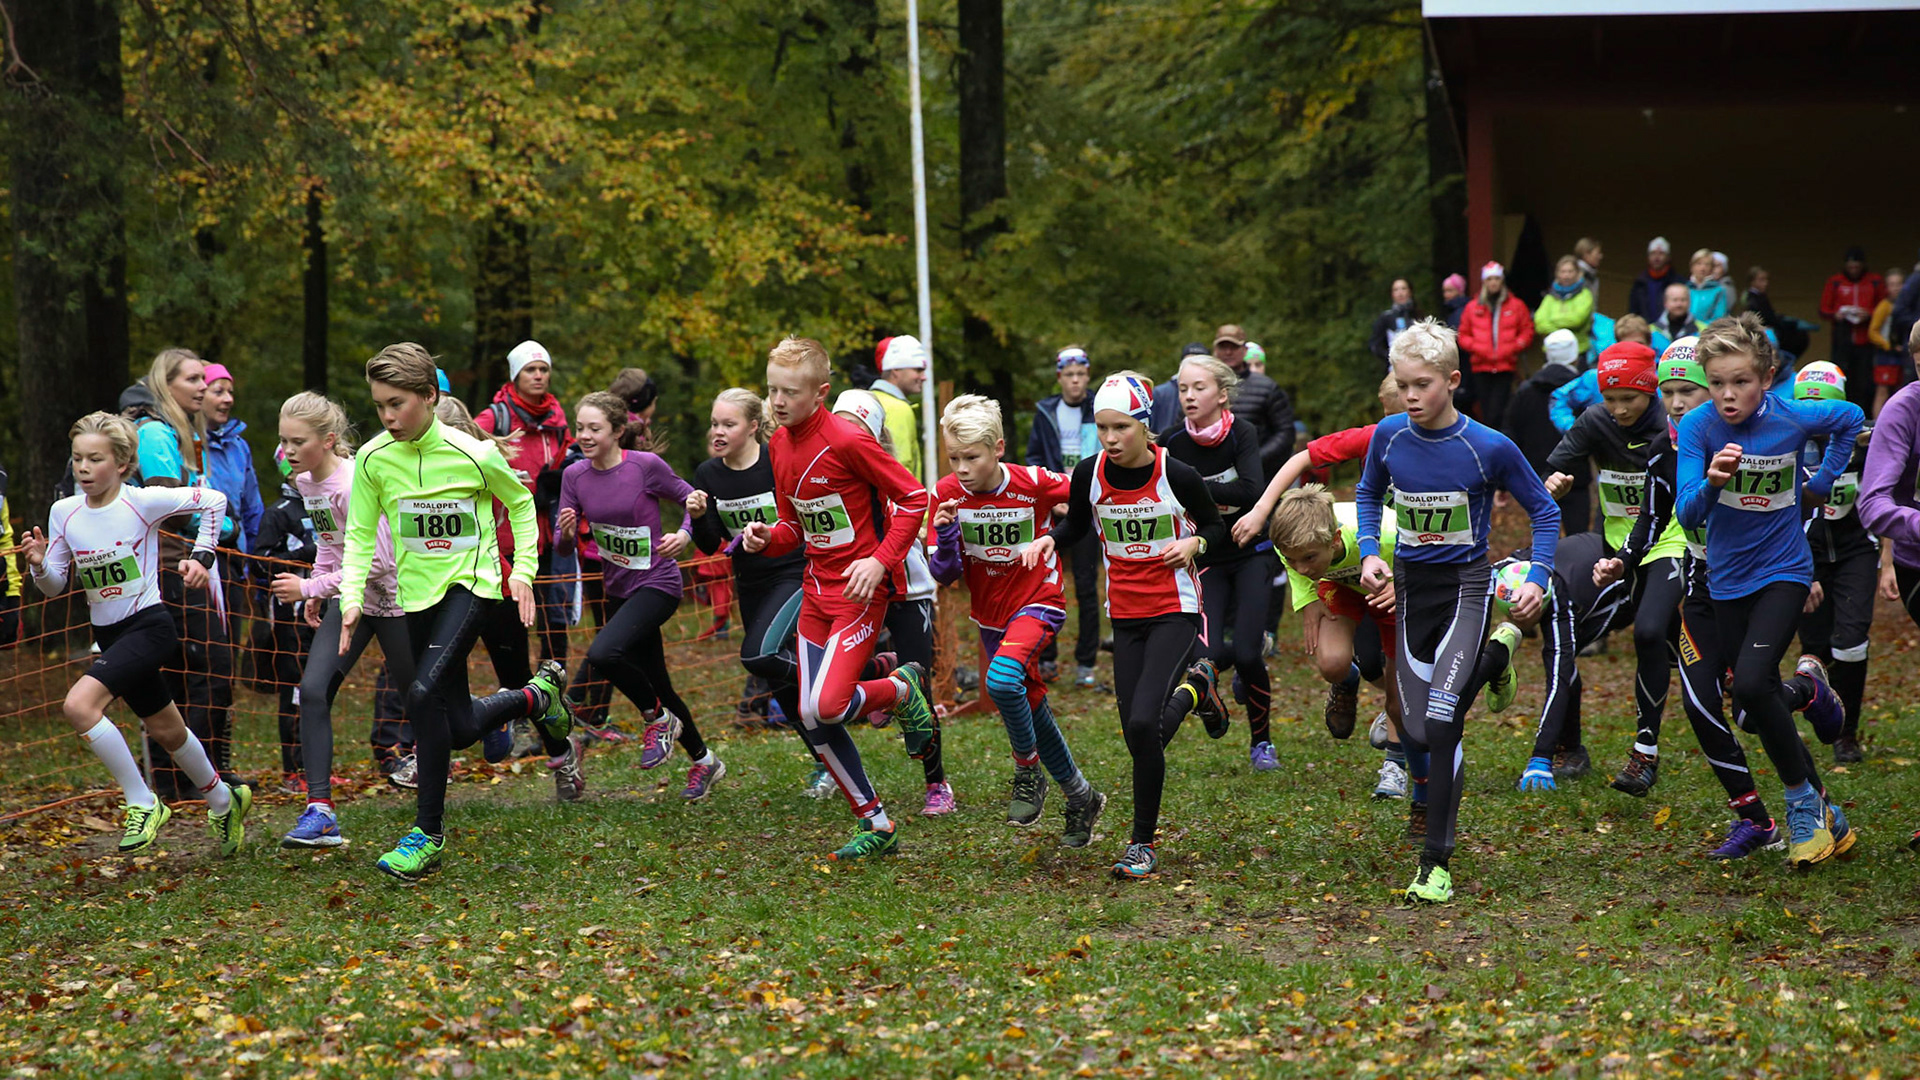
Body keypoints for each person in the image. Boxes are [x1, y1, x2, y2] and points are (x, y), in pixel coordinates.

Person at [338, 343, 577, 883]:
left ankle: (427, 835)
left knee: (421, 693)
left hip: (473, 584)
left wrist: (522, 572)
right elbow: (359, 535)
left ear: (429, 396)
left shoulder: (474, 453)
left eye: (397, 403)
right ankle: (535, 696)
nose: (388, 416)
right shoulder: (373, 460)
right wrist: (351, 598)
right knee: (462, 727)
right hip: (416, 596)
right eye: (379, 405)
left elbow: (520, 503)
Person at [1355, 318, 1559, 904]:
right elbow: (1368, 492)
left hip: (1466, 589)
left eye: (1422, 385)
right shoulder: (1389, 436)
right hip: (1411, 591)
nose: (1410, 396)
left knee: (1443, 725)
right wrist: (1370, 552)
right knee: (1416, 731)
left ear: (1452, 381)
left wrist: (1539, 576)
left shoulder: (1488, 445)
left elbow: (1545, 511)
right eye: (1402, 385)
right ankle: (1498, 657)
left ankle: (1435, 863)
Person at [737, 336, 937, 860]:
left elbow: (914, 497)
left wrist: (880, 561)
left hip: (858, 594)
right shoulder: (779, 445)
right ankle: (877, 823)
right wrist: (766, 537)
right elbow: (793, 527)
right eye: (772, 390)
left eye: (790, 392)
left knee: (827, 705)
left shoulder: (847, 440)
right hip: (815, 591)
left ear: (820, 393)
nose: (778, 402)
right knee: (811, 715)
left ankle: (900, 690)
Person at [1024, 372, 1228, 879]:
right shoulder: (1090, 473)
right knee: (1139, 735)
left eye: (1121, 428)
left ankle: (1142, 844)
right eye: (1102, 428)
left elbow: (1217, 527)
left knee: (1142, 725)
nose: (1111, 439)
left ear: (1144, 426)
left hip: (1175, 609)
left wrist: (1195, 543)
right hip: (1126, 613)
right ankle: (1197, 690)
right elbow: (1076, 524)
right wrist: (1051, 539)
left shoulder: (1176, 474)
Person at [1674, 313, 1859, 869]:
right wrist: (1712, 482)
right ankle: (1810, 697)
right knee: (1754, 706)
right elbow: (1687, 515)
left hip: (1784, 571)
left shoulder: (1794, 415)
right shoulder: (1699, 428)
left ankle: (1802, 805)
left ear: (1768, 377)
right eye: (1717, 383)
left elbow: (1850, 418)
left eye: (1741, 382)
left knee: (1753, 683)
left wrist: (1821, 481)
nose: (1728, 395)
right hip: (1727, 580)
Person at [25, 412, 246, 856]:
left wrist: (202, 557)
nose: (84, 468)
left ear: (122, 464)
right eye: (77, 459)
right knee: (168, 730)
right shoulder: (64, 512)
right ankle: (225, 800)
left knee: (79, 705)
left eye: (95, 459)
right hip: (109, 634)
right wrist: (38, 565)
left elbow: (214, 501)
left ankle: (142, 801)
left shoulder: (142, 502)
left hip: (149, 626)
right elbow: (55, 585)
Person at [930, 395, 1107, 843]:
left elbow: (1091, 494)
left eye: (972, 457)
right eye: (954, 458)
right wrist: (947, 533)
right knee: (1030, 703)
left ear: (998, 448)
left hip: (1039, 601)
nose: (962, 468)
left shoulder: (1033, 483)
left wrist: (1058, 530)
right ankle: (1081, 795)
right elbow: (944, 574)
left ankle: (1027, 771)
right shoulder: (946, 493)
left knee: (1002, 681)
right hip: (991, 618)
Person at [271, 392, 420, 849]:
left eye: (298, 442)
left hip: (394, 600)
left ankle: (512, 708)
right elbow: (331, 543)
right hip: (350, 598)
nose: (288, 451)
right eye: (284, 441)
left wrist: (309, 588)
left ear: (329, 440)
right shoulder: (308, 483)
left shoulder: (352, 483)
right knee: (313, 690)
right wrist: (320, 588)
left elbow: (377, 561)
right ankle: (320, 811)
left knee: (427, 699)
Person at [557, 392, 713, 800]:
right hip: (618, 589)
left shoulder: (644, 466)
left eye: (594, 428)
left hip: (658, 583)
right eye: (580, 428)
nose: (584, 436)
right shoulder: (574, 476)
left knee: (603, 653)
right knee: (660, 682)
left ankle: (655, 718)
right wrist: (568, 534)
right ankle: (705, 760)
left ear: (616, 431)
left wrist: (684, 534)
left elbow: (692, 499)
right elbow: (560, 544)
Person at [1544, 342, 1684, 796]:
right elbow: (1553, 471)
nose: (1620, 409)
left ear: (1651, 392)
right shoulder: (1595, 421)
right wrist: (1553, 483)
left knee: (1649, 632)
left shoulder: (1671, 425)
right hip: (1613, 550)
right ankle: (1569, 747)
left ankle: (1646, 751)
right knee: (1564, 634)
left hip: (1669, 540)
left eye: (1630, 398)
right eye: (1611, 398)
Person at [828, 389, 953, 815]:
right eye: (838, 426)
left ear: (874, 437)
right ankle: (884, 674)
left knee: (920, 686)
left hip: (905, 589)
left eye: (854, 428)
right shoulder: (826, 474)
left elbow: (914, 508)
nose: (844, 436)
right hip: (857, 590)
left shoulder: (886, 470)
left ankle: (937, 784)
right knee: (832, 680)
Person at [1159, 355, 1274, 770]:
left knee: (1247, 654)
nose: (1189, 396)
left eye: (1199, 388)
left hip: (1251, 553)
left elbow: (1252, 490)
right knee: (1203, 660)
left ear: (1222, 395)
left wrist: (1196, 489)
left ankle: (1262, 743)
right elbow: (1167, 497)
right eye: (1183, 389)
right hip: (1206, 557)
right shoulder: (1172, 443)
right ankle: (1211, 697)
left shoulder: (1243, 433)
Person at [132, 348, 239, 793]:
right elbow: (167, 506)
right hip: (168, 565)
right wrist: (220, 523)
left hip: (180, 561)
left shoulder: (182, 432)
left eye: (203, 379)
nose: (202, 387)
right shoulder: (155, 433)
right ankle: (190, 776)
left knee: (182, 670)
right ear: (167, 384)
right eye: (193, 379)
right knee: (208, 667)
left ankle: (187, 776)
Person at [687, 388, 808, 775]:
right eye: (714, 424)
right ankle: (828, 762)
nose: (718, 432)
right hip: (750, 582)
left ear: (754, 426)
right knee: (779, 683)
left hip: (792, 573)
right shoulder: (708, 474)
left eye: (729, 424)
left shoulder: (777, 461)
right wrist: (699, 516)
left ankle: (843, 678)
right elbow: (711, 543)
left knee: (758, 655)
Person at [1269, 486, 1414, 805]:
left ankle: (1394, 766)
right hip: (1341, 586)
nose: (1302, 568)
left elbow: (1430, 555)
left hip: (1389, 586)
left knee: (1398, 690)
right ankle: (1347, 679)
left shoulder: (1389, 535)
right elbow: (1292, 559)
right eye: (1293, 560)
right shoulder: (1292, 542)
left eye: (1309, 558)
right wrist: (1307, 598)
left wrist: (1406, 585)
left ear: (1335, 540)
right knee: (1332, 664)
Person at [1790, 362, 1876, 766]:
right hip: (1807, 555)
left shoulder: (1864, 441)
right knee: (1816, 647)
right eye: (1806, 410)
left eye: (1824, 409)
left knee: (1851, 641)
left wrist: (1889, 560)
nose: (1816, 420)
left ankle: (1847, 734)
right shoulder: (1784, 442)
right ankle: (1824, 713)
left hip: (1856, 551)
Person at [475, 339, 575, 672]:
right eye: (530, 369)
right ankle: (517, 690)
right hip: (506, 540)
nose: (538, 375)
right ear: (515, 375)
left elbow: (572, 459)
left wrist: (558, 478)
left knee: (554, 619)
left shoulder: (557, 420)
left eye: (543, 369)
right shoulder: (495, 418)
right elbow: (462, 454)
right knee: (513, 620)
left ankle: (554, 688)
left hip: (547, 538)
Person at [1027, 346, 1102, 687]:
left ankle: (1086, 664)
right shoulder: (1046, 412)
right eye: (1069, 375)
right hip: (1055, 507)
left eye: (1080, 375)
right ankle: (1047, 658)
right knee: (1046, 583)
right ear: (1059, 378)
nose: (1075, 381)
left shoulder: (1099, 408)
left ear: (1088, 376)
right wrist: (1053, 498)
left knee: (1086, 585)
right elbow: (1034, 458)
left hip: (1090, 507)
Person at [250, 449, 317, 790]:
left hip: (323, 608)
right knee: (295, 688)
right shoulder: (278, 513)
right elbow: (259, 562)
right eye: (297, 470)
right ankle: (294, 772)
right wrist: (303, 555)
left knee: (317, 690)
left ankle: (315, 769)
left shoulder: (321, 505)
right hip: (289, 614)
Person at [1508, 330, 1590, 535]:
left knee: (1542, 534)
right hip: (1575, 475)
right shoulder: (1583, 390)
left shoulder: (1526, 390)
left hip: (1537, 477)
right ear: (1574, 355)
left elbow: (1511, 432)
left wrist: (1504, 482)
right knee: (1578, 537)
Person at [1456, 262, 1534, 431]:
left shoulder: (1516, 305)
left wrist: (1515, 346)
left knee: (1499, 411)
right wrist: (1476, 347)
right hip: (1481, 365)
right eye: (1490, 279)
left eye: (1497, 279)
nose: (1493, 283)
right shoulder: (1472, 307)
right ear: (1484, 282)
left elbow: (1527, 330)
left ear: (1502, 281)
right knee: (1486, 410)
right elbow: (1463, 335)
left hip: (1506, 365)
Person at [1211, 324, 1295, 476]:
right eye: (1223, 347)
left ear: (1244, 350)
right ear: (1215, 350)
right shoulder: (1202, 385)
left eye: (1234, 347)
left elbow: (1285, 433)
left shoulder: (1267, 387)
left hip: (1259, 475)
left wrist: (1254, 459)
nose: (1228, 352)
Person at [200, 364, 265, 557]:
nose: (228, 399)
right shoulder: (183, 443)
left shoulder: (239, 446)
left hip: (237, 555)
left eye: (230, 392)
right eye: (218, 392)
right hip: (197, 554)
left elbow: (252, 508)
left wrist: (256, 557)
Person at [1821, 247, 1887, 413]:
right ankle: (1841, 412)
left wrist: (1869, 314)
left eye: (1857, 267)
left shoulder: (1874, 281)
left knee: (1865, 380)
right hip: (1842, 338)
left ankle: (1863, 414)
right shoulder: (1835, 282)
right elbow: (1823, 309)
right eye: (1851, 267)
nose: (1854, 270)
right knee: (1842, 377)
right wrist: (1837, 314)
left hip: (1867, 339)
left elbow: (1884, 306)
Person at [869, 335, 927, 482]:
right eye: (918, 370)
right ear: (895, 369)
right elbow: (901, 467)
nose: (924, 377)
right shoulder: (898, 409)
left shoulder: (870, 400)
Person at [1535, 255, 1597, 357]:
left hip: (1577, 351)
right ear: (1557, 274)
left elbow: (1576, 320)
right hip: (1552, 350)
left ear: (1577, 273)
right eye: (1563, 271)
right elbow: (1540, 323)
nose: (1566, 275)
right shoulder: (1550, 297)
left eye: (1570, 271)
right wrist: (1564, 327)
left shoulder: (1585, 295)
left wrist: (1552, 320)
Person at [1869, 268, 1909, 417]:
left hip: (1903, 354)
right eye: (1892, 285)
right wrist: (1889, 346)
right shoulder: (1884, 306)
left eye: (1899, 284)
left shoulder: (1908, 306)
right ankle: (1877, 423)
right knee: (1882, 390)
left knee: (1901, 390)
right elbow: (1872, 332)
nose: (1896, 288)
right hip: (1886, 355)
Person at [1150, 342, 1211, 435]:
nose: (1189, 396)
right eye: (1189, 363)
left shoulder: (1215, 392)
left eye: (1200, 364)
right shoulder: (1159, 393)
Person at [1627, 237, 1682, 323]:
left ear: (1668, 257)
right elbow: (1633, 312)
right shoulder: (1639, 283)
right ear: (1648, 257)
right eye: (1653, 253)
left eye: (1661, 253)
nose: (1656, 257)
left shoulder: (1678, 282)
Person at [1368, 279, 1421, 365]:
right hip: (1395, 366)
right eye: (1396, 290)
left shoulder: (1418, 315)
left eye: (1403, 288)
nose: (1400, 293)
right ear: (1392, 294)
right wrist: (1390, 357)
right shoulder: (1386, 318)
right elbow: (1375, 345)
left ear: (1410, 292)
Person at [1686, 249, 1731, 327]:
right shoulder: (1684, 289)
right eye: (1699, 263)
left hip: (1706, 332)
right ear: (1692, 266)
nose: (1702, 268)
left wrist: (1698, 328)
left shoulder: (1718, 290)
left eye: (1707, 265)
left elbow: (1719, 318)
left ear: (1712, 268)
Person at [1573, 237, 1604, 305]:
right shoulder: (1574, 275)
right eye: (1598, 253)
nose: (1601, 256)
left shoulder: (1592, 276)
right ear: (1586, 255)